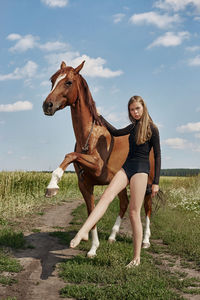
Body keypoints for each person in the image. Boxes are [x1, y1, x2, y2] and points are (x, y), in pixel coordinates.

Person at [70, 95, 161, 268]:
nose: (134, 112)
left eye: (137, 109)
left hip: (141, 171)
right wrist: (100, 116)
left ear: (143, 108)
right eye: (132, 110)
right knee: (106, 196)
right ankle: (83, 231)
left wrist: (155, 182)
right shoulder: (133, 127)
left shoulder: (152, 128)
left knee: (134, 212)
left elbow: (157, 155)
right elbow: (116, 132)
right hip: (127, 167)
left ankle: (136, 258)